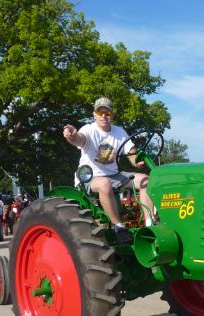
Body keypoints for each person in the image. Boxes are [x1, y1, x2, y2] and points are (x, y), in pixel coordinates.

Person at [63, 97, 154, 242]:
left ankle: (150, 224)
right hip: (90, 177)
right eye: (100, 112)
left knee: (146, 180)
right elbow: (78, 139)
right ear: (94, 114)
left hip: (115, 175)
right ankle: (118, 226)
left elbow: (131, 152)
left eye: (107, 112)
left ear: (112, 114)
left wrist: (136, 160)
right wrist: (71, 135)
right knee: (105, 183)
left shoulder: (119, 132)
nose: (104, 115)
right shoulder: (88, 130)